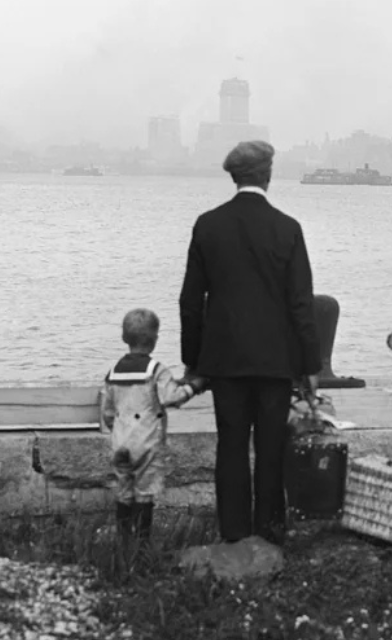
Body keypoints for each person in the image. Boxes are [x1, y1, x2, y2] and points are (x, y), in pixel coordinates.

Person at [179, 140, 322, 546]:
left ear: (235, 176)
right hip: (276, 360)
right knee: (272, 449)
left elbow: (191, 302)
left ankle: (234, 534)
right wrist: (310, 363)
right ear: (267, 175)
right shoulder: (288, 228)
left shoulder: (207, 225)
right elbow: (301, 304)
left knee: (231, 447)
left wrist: (194, 360)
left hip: (223, 360)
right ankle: (271, 534)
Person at [100, 308, 205, 548]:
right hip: (146, 441)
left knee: (124, 489)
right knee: (144, 492)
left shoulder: (113, 372)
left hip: (121, 441)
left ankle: (123, 542)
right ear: (155, 339)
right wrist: (195, 386)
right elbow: (172, 397)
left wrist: (116, 428)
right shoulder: (156, 370)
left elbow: (108, 411)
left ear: (124, 338)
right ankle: (142, 542)